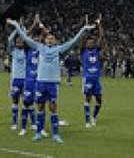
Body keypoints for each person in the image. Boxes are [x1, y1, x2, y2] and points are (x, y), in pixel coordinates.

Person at [8, 15, 94, 144]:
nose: (49, 40)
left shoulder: (59, 49)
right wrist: (16, 26)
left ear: (55, 41)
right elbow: (25, 37)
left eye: (52, 39)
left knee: (53, 108)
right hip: (41, 82)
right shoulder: (39, 47)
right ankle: (38, 132)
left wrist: (83, 29)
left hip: (53, 83)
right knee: (40, 107)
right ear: (45, 40)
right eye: (48, 38)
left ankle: (56, 134)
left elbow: (73, 41)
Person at [81, 14, 105, 128]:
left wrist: (99, 25)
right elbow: (83, 37)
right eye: (88, 42)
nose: (90, 43)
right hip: (87, 78)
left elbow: (101, 36)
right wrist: (86, 27)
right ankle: (87, 120)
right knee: (87, 99)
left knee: (99, 100)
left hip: (97, 79)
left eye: (92, 42)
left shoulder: (96, 50)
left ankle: (94, 117)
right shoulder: (83, 51)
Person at [6, 18, 28, 131]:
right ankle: (14, 122)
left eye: (21, 41)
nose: (19, 42)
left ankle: (28, 123)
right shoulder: (13, 51)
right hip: (15, 79)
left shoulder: (27, 51)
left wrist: (22, 28)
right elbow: (9, 39)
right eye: (17, 41)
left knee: (26, 102)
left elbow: (27, 38)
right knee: (15, 101)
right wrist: (16, 28)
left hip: (25, 79)